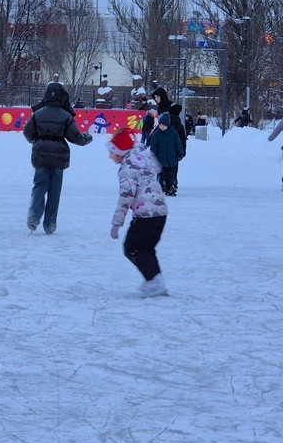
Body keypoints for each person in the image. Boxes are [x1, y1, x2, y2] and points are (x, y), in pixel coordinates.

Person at [23, 81, 93, 234]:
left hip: (40, 155)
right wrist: (87, 138)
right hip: (59, 158)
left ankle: (33, 218)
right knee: (54, 192)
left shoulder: (38, 114)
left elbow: (28, 133)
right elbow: (76, 138)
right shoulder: (66, 116)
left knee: (39, 187)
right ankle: (50, 224)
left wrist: (36, 140)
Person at [107, 128, 169, 297]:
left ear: (120, 152)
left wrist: (116, 223)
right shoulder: (143, 162)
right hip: (160, 213)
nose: (110, 156)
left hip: (146, 216)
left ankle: (154, 282)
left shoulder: (127, 169)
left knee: (132, 248)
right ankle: (155, 281)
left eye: (112, 152)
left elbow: (126, 197)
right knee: (146, 249)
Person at [149, 111, 184, 197]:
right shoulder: (157, 134)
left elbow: (178, 143)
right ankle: (162, 186)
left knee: (171, 175)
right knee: (162, 174)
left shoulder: (173, 133)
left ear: (168, 125)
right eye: (160, 125)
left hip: (172, 159)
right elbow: (153, 145)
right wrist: (153, 154)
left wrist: (180, 153)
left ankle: (170, 187)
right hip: (161, 159)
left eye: (163, 125)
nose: (161, 127)